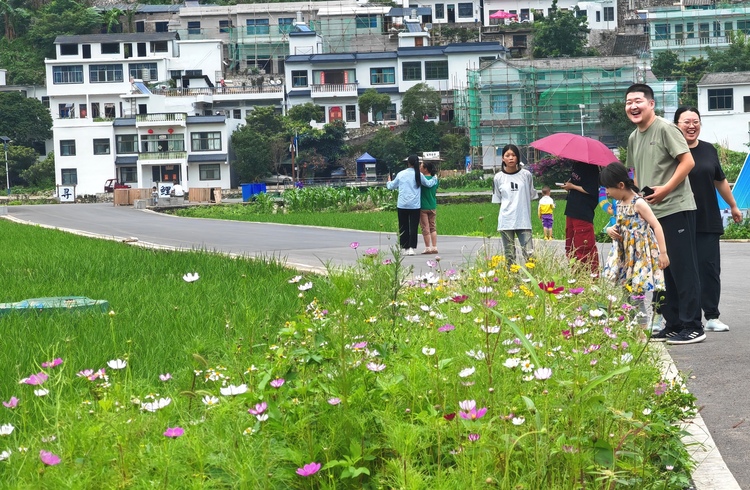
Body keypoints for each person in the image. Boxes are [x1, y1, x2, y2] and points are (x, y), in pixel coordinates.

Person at [625, 83, 704, 345]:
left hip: (676, 207)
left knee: (683, 268)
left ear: (651, 104)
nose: (633, 106)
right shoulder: (634, 137)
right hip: (652, 213)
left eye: (638, 101)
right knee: (664, 271)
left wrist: (666, 189)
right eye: (628, 102)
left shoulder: (665, 129)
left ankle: (693, 325)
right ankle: (673, 323)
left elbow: (688, 161)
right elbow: (634, 174)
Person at [667, 106, 742, 332]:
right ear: (676, 125)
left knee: (709, 268)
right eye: (686, 122)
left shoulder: (709, 150)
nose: (691, 126)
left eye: (695, 121)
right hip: (677, 218)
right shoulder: (670, 151)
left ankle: (711, 316)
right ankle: (679, 317)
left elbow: (720, 180)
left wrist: (733, 205)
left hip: (706, 218)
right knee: (679, 270)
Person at [601, 162, 669, 327]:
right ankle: (632, 326)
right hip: (624, 254)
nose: (607, 193)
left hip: (639, 255)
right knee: (626, 291)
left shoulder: (638, 203)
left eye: (608, 189)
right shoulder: (619, 204)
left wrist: (663, 253)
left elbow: (656, 225)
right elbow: (619, 224)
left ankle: (642, 328)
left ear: (621, 185)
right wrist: (610, 229)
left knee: (637, 292)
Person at [492, 144, 536, 265]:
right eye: (507, 155)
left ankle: (532, 281)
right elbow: (498, 200)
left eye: (513, 155)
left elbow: (531, 194)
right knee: (509, 255)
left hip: (523, 220)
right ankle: (513, 281)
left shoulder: (526, 175)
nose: (511, 158)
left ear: (518, 158)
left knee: (529, 254)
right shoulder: (498, 177)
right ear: (503, 158)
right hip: (506, 221)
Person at [387, 155, 438, 255]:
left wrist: (388, 181)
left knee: (403, 226)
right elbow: (428, 184)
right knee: (413, 227)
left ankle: (405, 247)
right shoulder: (418, 174)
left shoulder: (401, 174)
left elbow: (391, 186)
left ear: (408, 163)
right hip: (415, 205)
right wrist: (435, 178)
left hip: (402, 205)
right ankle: (411, 248)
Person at [559, 160, 600, 272]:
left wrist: (572, 186)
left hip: (583, 212)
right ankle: (575, 277)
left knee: (584, 249)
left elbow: (591, 190)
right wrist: (569, 185)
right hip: (572, 210)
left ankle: (591, 279)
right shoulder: (576, 164)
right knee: (570, 247)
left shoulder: (591, 167)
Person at [419, 160, 439, 254]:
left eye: (421, 166)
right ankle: (434, 247)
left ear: (425, 169)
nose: (419, 168)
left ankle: (427, 248)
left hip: (423, 206)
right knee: (432, 227)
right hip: (432, 205)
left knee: (425, 228)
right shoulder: (435, 179)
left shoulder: (421, 180)